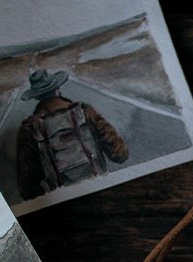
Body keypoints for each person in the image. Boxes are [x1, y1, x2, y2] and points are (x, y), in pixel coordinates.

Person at [15, 68, 129, 199]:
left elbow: (27, 189)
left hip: (63, 200)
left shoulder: (29, 129)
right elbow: (120, 154)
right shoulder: (84, 111)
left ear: (36, 97)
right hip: (99, 188)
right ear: (57, 89)